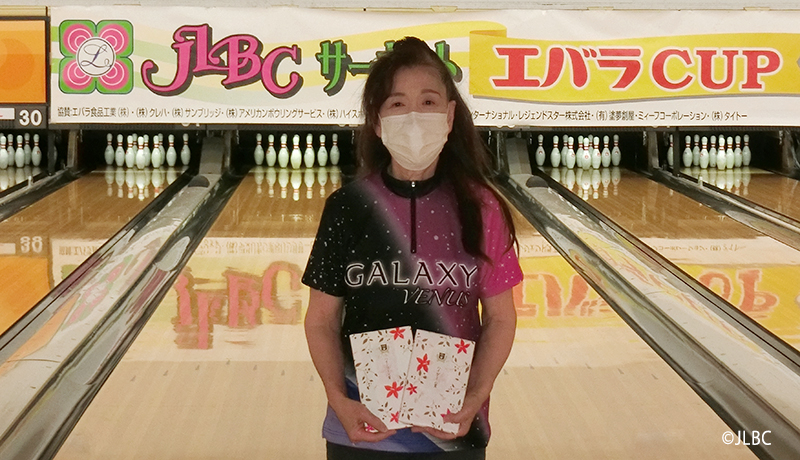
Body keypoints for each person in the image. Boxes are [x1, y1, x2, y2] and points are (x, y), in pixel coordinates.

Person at [303, 36, 523, 459]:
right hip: (360, 428)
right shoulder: (348, 206)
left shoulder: (483, 208)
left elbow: (500, 318)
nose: (414, 116)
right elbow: (321, 320)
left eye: (428, 102)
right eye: (397, 103)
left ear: (450, 115)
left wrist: (476, 396)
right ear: (377, 120)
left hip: (454, 431)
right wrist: (337, 397)